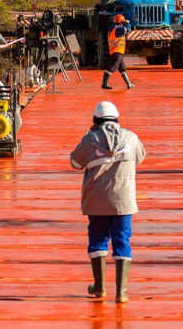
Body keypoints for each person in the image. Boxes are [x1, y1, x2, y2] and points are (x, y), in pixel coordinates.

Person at [69, 101, 146, 303]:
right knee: (122, 240)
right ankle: (121, 292)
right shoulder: (131, 137)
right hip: (124, 199)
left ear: (96, 120)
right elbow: (140, 157)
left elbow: (75, 162)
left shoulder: (90, 139)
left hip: (97, 200)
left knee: (97, 239)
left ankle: (100, 287)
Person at [102, 14, 135, 90]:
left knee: (122, 68)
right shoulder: (118, 29)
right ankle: (104, 84)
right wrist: (127, 23)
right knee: (111, 67)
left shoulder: (112, 29)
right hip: (117, 51)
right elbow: (128, 29)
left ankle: (129, 84)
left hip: (116, 51)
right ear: (120, 22)